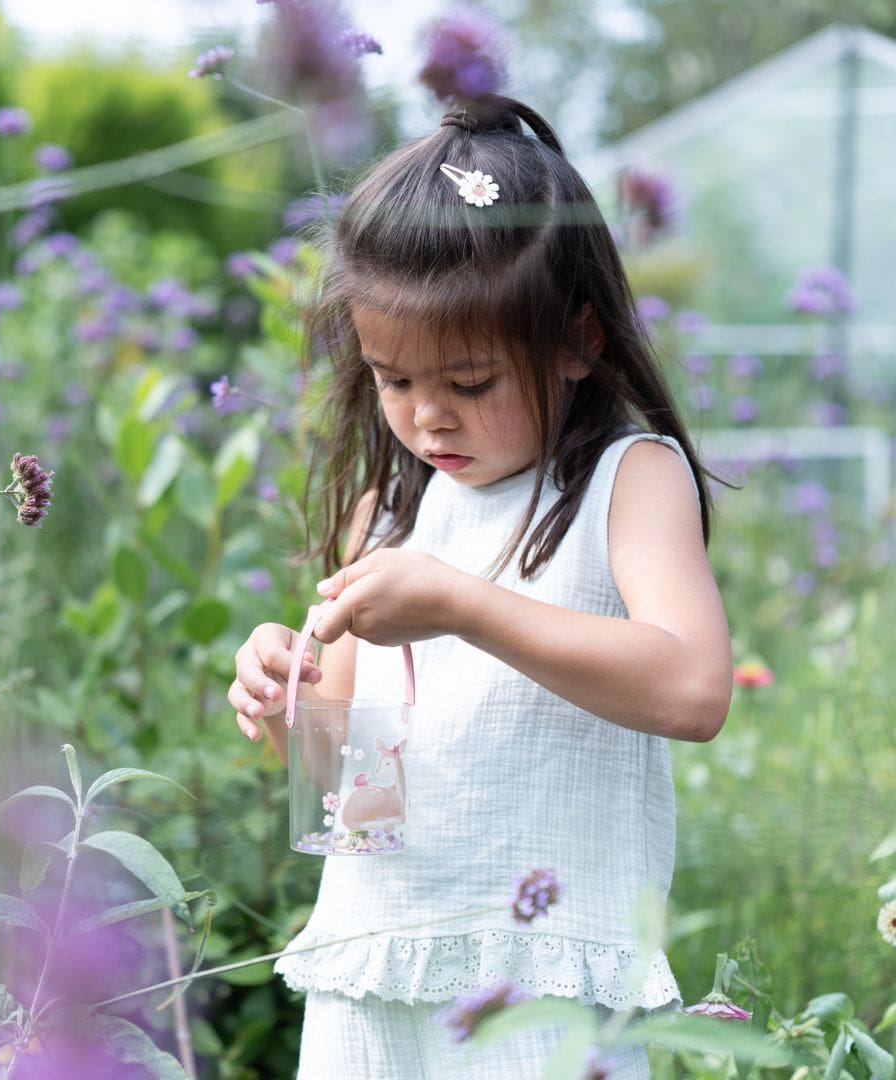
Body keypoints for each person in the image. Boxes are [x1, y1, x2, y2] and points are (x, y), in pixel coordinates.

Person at [229, 94, 732, 1080]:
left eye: (468, 384)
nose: (427, 421)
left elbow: (691, 689)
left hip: (541, 980)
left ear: (578, 341)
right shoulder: (387, 511)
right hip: (377, 965)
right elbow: (349, 794)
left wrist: (464, 607)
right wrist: (283, 695)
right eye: (393, 380)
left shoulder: (625, 484)